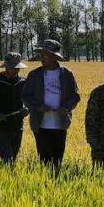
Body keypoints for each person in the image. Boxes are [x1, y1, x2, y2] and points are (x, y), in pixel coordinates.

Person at [21, 39, 80, 170]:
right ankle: (46, 185)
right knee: (45, 161)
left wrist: (66, 107)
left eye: (45, 54)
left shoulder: (67, 74)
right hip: (40, 124)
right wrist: (38, 106)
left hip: (61, 124)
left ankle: (55, 184)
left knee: (58, 160)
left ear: (54, 57)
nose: (42, 57)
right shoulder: (34, 75)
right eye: (42, 54)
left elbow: (75, 96)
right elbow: (25, 95)